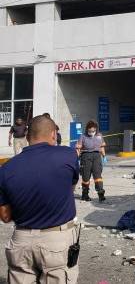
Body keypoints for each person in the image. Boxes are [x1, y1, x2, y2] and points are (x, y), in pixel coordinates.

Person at [0, 115, 80, 283]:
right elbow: (70, 187)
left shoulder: (6, 169)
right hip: (56, 240)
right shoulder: (68, 155)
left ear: (27, 137)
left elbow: (5, 216)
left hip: (21, 240)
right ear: (53, 134)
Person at [76, 120, 106, 202]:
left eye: (93, 131)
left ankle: (101, 194)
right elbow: (78, 148)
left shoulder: (99, 136)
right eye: (90, 131)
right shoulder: (83, 136)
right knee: (86, 177)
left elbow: (102, 147)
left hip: (96, 156)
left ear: (96, 129)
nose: (91, 132)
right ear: (87, 130)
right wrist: (77, 158)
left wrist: (104, 156)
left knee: (97, 176)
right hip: (86, 156)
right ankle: (85, 195)